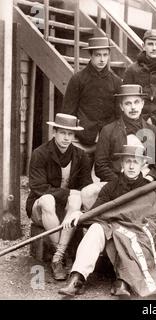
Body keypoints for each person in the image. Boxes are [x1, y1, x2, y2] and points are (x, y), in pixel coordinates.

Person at [58, 144, 151, 297]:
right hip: (111, 231)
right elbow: (95, 211)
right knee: (95, 228)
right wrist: (80, 214)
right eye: (128, 161)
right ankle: (77, 279)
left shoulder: (149, 187)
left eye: (135, 162)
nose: (131, 166)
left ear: (142, 164)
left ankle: (123, 282)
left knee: (130, 235)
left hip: (135, 234)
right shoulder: (110, 187)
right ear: (122, 164)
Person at [26, 113, 92, 281]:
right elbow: (39, 187)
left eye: (70, 134)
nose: (66, 138)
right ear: (54, 132)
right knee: (49, 199)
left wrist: (76, 195)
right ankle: (61, 256)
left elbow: (86, 185)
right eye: (62, 133)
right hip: (41, 207)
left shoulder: (81, 155)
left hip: (68, 210)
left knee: (77, 198)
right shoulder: (40, 153)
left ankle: (57, 257)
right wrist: (68, 193)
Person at [81, 84, 156, 211]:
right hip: (116, 183)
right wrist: (119, 183)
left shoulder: (153, 130)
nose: (133, 107)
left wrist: (147, 180)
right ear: (121, 106)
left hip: (144, 183)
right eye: (128, 103)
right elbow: (100, 166)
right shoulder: (108, 130)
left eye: (136, 102)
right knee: (87, 193)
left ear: (142, 104)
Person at [62, 37, 123, 164]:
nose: (102, 59)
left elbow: (119, 115)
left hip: (107, 140)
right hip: (82, 138)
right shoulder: (78, 79)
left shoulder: (116, 82)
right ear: (91, 55)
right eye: (98, 55)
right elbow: (68, 111)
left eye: (105, 55)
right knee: (79, 177)